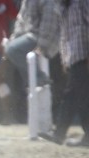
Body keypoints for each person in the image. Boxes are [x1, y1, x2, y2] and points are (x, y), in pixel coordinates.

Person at [39, 0, 88, 147]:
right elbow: (64, 35)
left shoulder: (82, 3)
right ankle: (63, 134)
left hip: (84, 56)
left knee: (73, 95)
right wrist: (65, 59)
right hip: (74, 56)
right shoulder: (61, 7)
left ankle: (59, 133)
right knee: (79, 97)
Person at [3, 0, 60, 87]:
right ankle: (31, 82)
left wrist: (41, 47)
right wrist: (13, 40)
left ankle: (38, 78)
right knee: (9, 48)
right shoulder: (26, 1)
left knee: (12, 50)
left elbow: (49, 24)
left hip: (45, 39)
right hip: (31, 37)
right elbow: (20, 22)